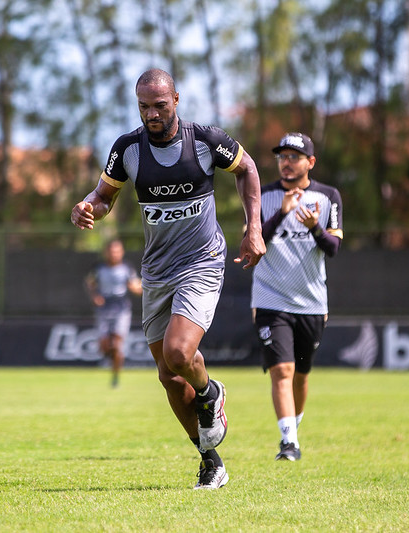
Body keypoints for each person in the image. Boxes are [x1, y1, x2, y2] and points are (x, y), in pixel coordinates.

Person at [71, 68, 266, 489]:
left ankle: (211, 392)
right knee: (169, 375)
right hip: (156, 271)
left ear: (176, 99)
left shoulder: (207, 140)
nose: (152, 113)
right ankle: (210, 461)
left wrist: (254, 228)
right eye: (144, 106)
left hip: (201, 262)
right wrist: (87, 206)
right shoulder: (127, 149)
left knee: (179, 353)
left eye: (160, 104)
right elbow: (104, 197)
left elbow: (247, 169)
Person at [250, 132, 343, 461]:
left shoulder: (328, 196)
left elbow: (333, 248)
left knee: (301, 376)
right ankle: (289, 442)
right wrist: (282, 213)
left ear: (310, 163)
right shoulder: (263, 194)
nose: (286, 163)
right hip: (271, 298)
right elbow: (254, 243)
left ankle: (293, 426)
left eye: (294, 157)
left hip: (312, 302)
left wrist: (315, 227)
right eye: (282, 157)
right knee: (282, 371)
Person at [85, 238, 142, 388]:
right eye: (111, 251)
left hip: (121, 309)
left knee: (117, 344)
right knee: (104, 347)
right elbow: (90, 284)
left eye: (117, 251)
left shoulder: (127, 268)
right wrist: (94, 296)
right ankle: (109, 355)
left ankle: (115, 376)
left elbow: (135, 285)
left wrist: (141, 288)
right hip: (103, 309)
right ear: (106, 252)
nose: (114, 254)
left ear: (121, 252)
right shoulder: (98, 268)